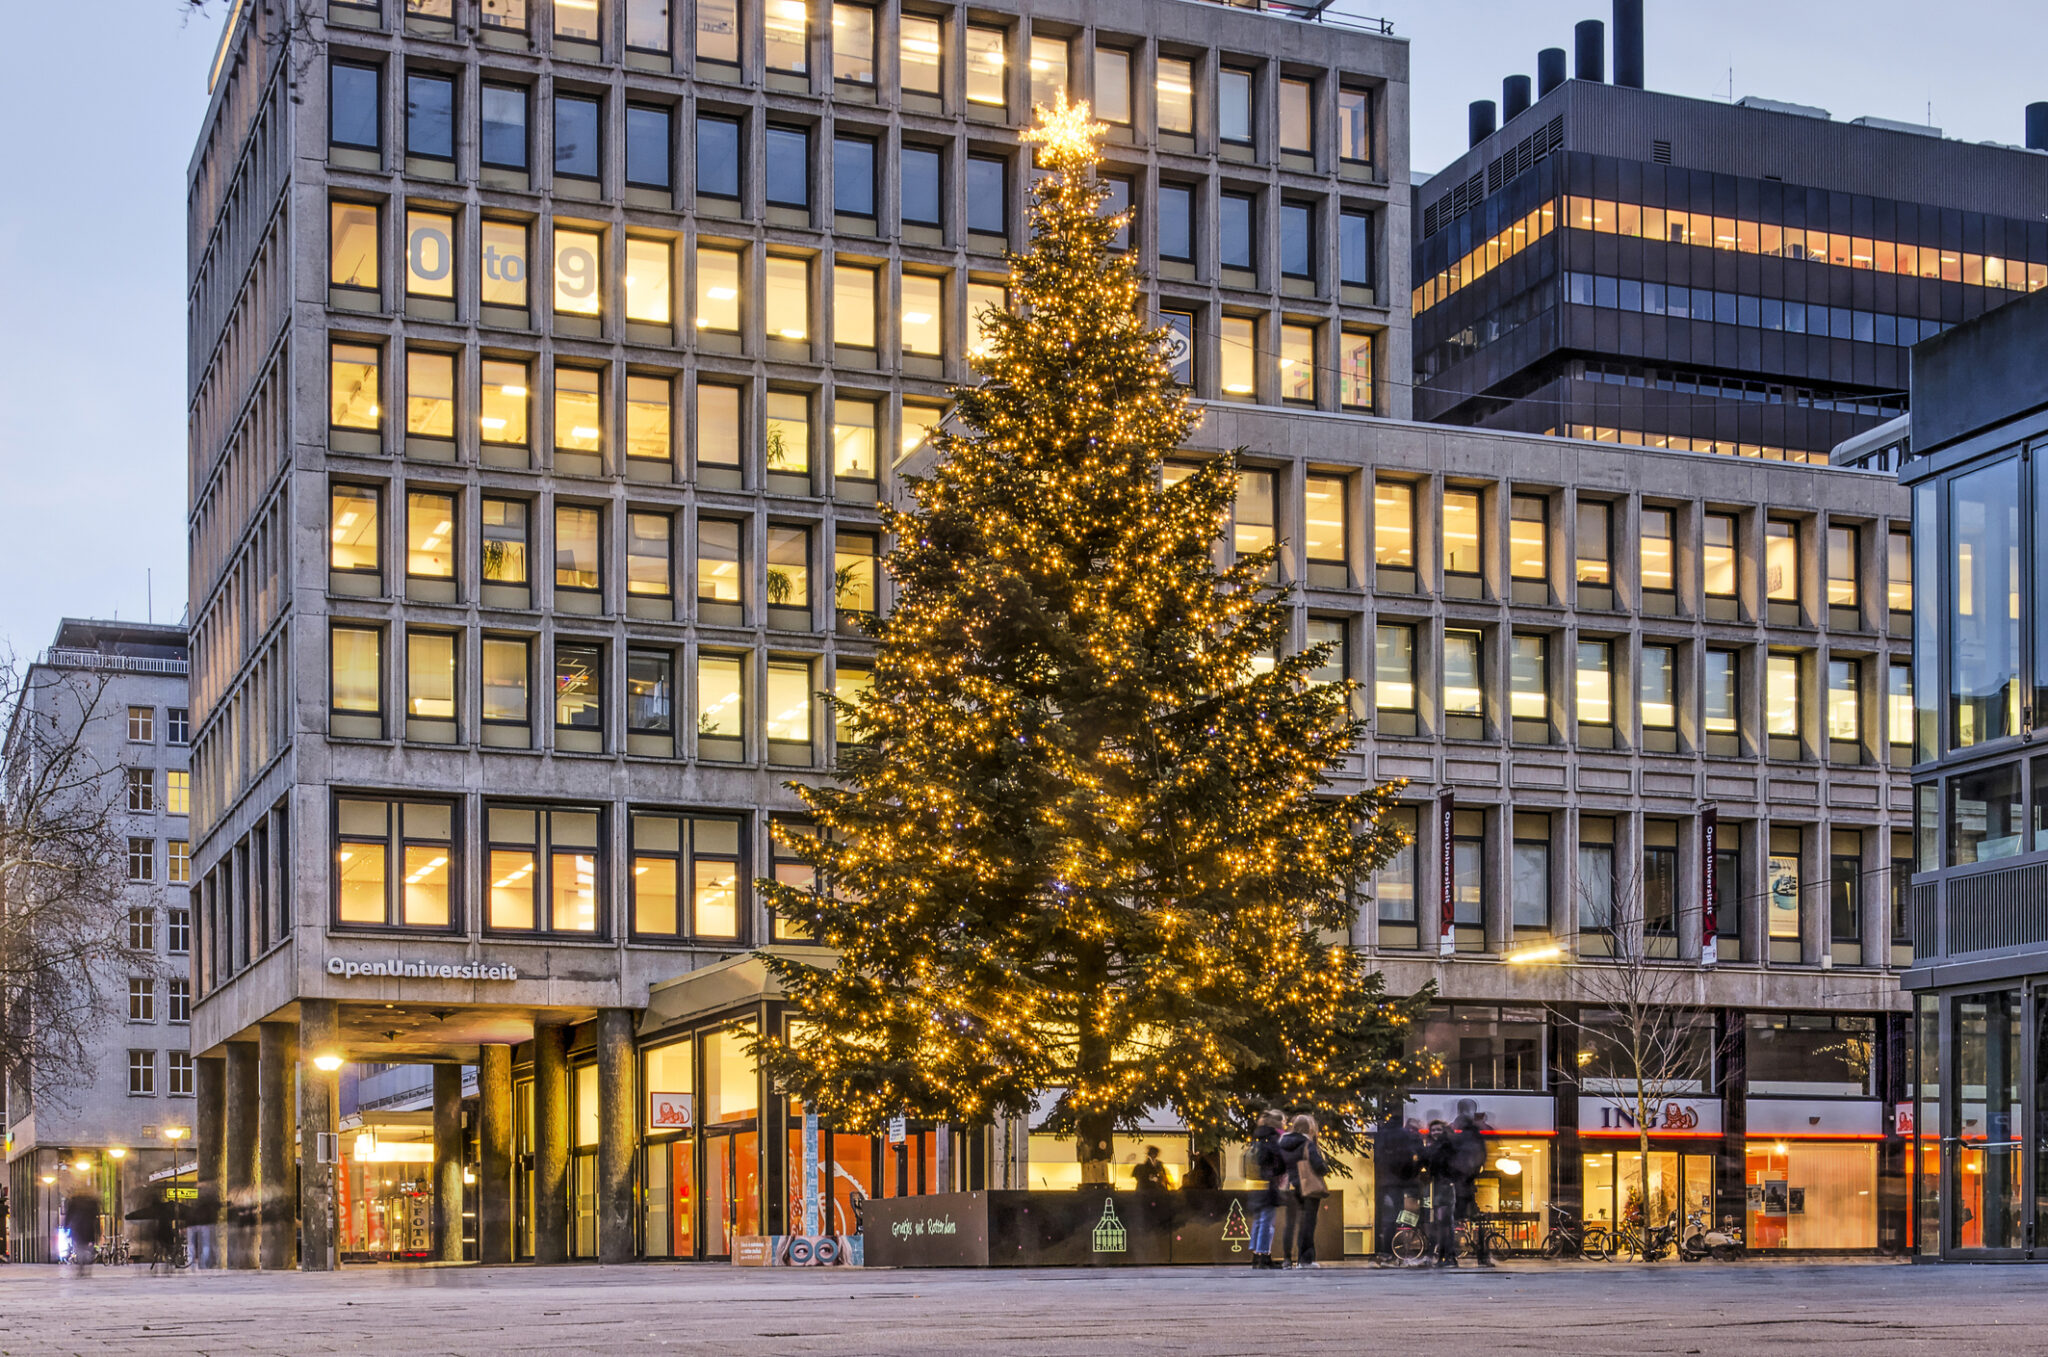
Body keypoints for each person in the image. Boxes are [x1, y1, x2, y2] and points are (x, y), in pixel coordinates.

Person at [1277, 1113, 1330, 1269]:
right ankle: (1305, 1259)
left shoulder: (1283, 1143)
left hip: (1289, 1186)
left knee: (1290, 1224)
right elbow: (1319, 1166)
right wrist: (1324, 1167)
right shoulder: (1307, 1144)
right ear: (1308, 1128)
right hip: (1307, 1187)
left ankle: (1287, 1259)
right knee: (1307, 1223)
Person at [1450, 1102, 1494, 1268]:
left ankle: (1451, 1255)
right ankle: (1482, 1255)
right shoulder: (1478, 1137)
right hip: (1468, 1187)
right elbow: (1481, 1158)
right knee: (1477, 1223)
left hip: (1460, 1188)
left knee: (1453, 1221)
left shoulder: (1458, 1137)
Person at [1376, 1117, 1425, 1262]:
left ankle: (1389, 1252)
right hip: (1409, 1184)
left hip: (1391, 1184)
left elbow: (1380, 1159)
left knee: (1391, 1218)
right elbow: (1421, 1160)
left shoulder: (1388, 1139)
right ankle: (1402, 1250)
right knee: (1409, 1217)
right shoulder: (1413, 1141)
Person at [1246, 1110, 1287, 1270]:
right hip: (1268, 1183)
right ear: (1277, 1123)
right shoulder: (1273, 1138)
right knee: (1267, 1222)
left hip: (1256, 1184)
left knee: (1259, 1220)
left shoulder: (1258, 1137)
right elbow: (1280, 1159)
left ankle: (1257, 1255)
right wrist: (1280, 1171)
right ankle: (1264, 1256)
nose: (1285, 1124)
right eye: (1283, 1121)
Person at [1423, 1119, 1460, 1267]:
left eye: (1438, 1129)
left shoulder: (1445, 1146)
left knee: (1444, 1223)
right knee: (1442, 1223)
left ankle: (1448, 1256)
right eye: (1433, 1130)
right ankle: (1445, 1256)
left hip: (1444, 1186)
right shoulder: (1437, 1146)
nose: (1435, 1132)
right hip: (1439, 1186)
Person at [62, 1188, 103, 1275]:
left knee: (79, 1248)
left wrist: (66, 1227)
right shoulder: (92, 1203)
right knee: (88, 1248)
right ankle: (86, 1263)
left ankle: (81, 1265)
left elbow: (68, 1216)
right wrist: (98, 1232)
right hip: (89, 1229)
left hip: (77, 1229)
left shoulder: (74, 1202)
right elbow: (97, 1219)